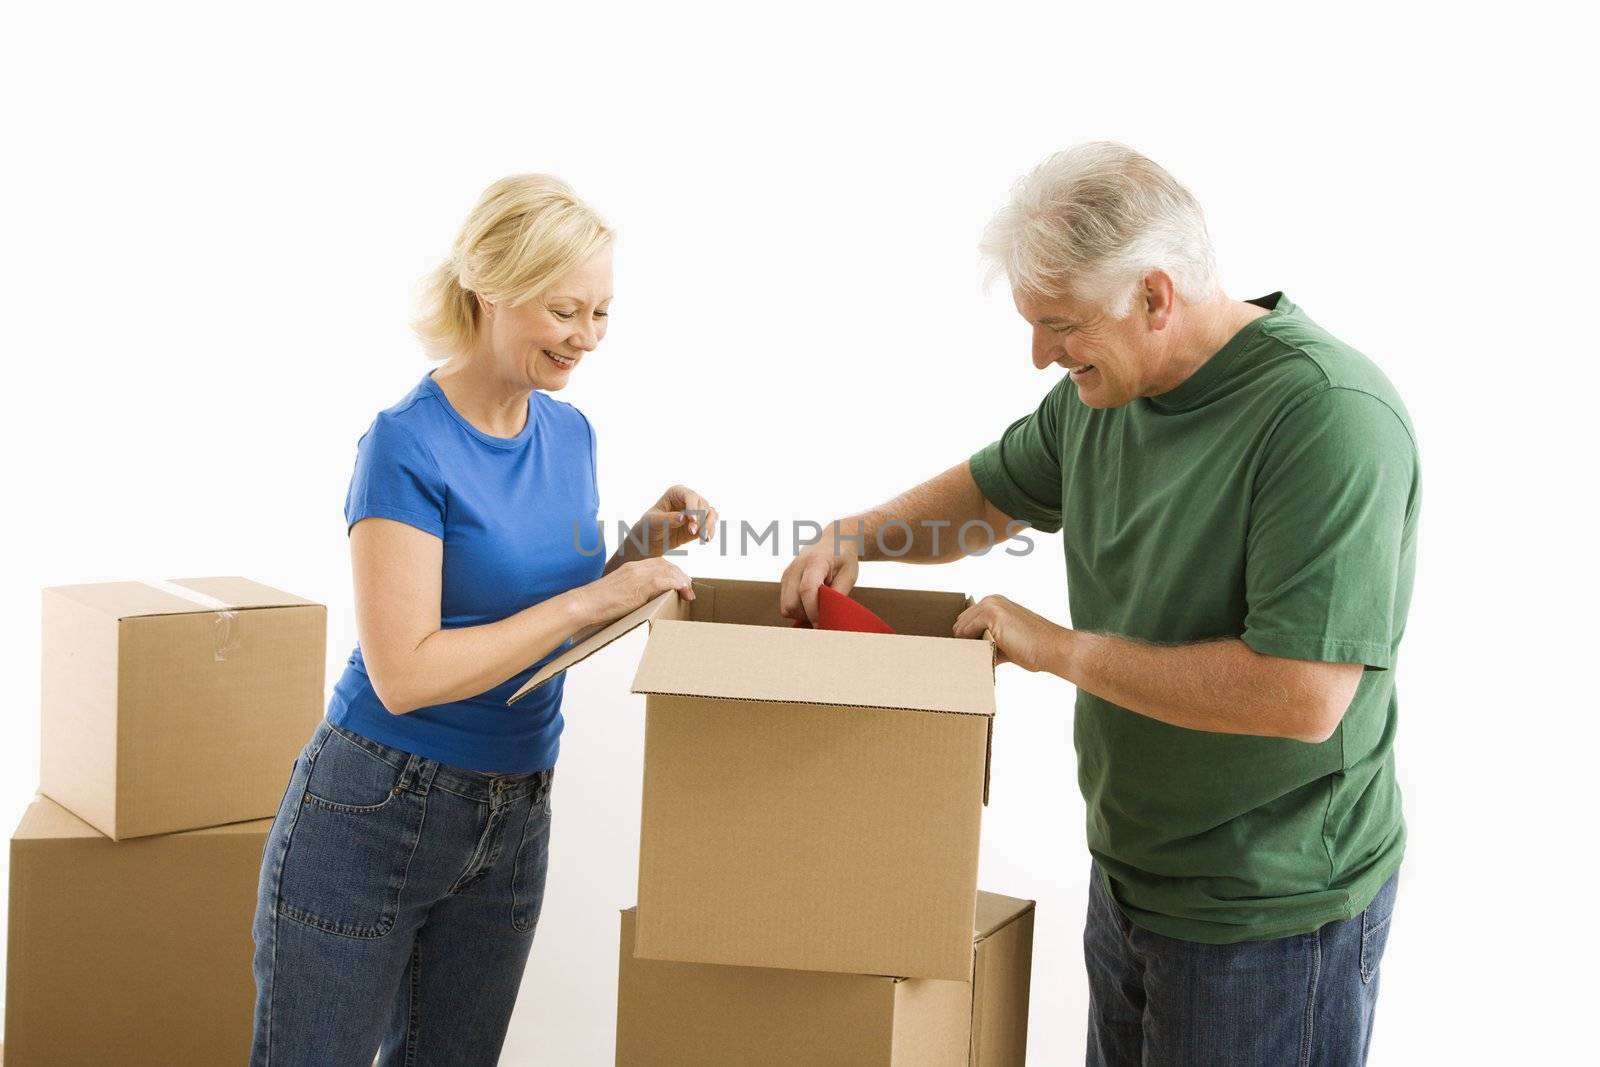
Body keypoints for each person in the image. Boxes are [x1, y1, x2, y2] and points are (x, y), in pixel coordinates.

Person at [780, 143, 1418, 1066]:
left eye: (1059, 324)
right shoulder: (1102, 392)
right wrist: (857, 535)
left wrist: (1055, 648)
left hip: (1268, 914)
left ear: (1155, 297)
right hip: (1130, 880)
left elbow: (1303, 696)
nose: (1040, 353)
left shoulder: (1326, 419)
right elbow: (994, 492)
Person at [250, 175, 712, 1065]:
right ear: (491, 289)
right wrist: (587, 596)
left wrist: (635, 554)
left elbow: (542, 629)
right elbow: (407, 672)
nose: (588, 337)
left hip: (515, 812)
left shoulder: (570, 434)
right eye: (566, 309)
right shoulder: (406, 443)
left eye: (604, 312)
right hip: (376, 804)